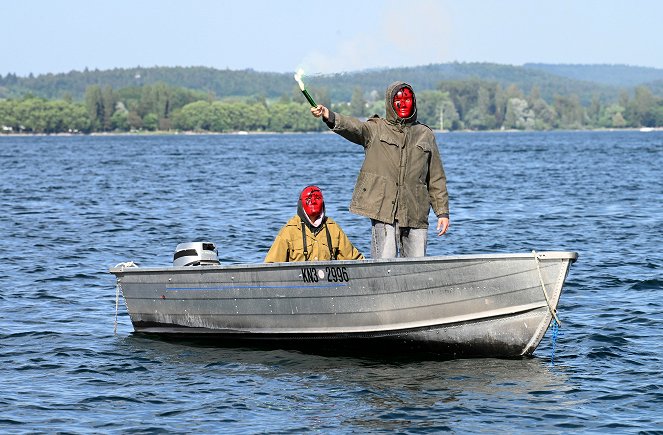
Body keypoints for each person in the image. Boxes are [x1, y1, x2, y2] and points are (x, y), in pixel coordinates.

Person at [310, 81, 449, 258]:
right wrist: (328, 115)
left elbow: (436, 178)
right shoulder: (375, 129)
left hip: (416, 212)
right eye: (397, 99)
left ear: (413, 102)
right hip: (384, 211)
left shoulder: (425, 134)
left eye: (407, 99)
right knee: (384, 263)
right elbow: (354, 127)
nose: (402, 103)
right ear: (390, 103)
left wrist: (442, 212)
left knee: (416, 267)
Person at [265, 185, 364, 263]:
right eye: (308, 198)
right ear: (301, 203)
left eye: (317, 197)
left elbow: (355, 260)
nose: (313, 201)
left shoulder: (333, 228)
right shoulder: (289, 231)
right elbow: (271, 267)